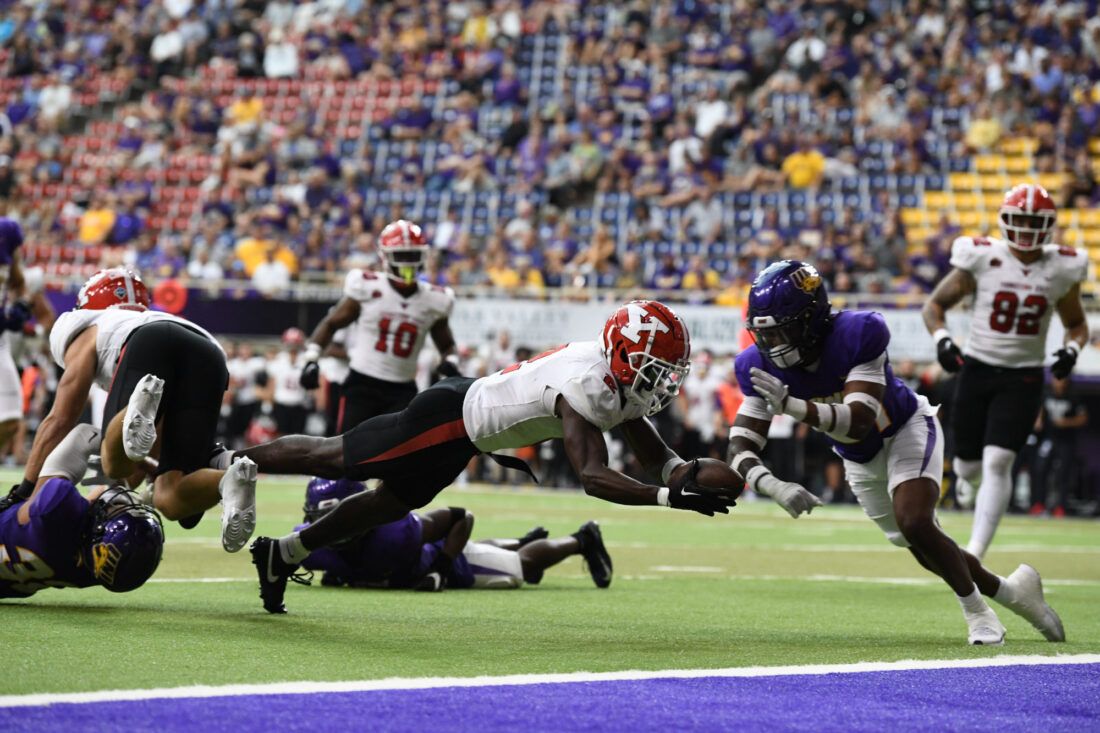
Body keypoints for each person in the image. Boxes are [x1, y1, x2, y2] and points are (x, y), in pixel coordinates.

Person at [233, 299, 739, 613]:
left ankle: (283, 554)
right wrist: (670, 497)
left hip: (466, 432)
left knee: (386, 506)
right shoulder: (590, 380)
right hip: (452, 416)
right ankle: (225, 461)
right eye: (655, 368)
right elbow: (592, 475)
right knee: (335, 457)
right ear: (625, 356)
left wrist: (684, 474)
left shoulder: (615, 378)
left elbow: (657, 458)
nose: (663, 381)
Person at [726, 260, 1064, 645]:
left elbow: (858, 420)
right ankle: (1014, 593)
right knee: (921, 545)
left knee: (915, 521)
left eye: (782, 330)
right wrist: (771, 485)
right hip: (858, 458)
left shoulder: (857, 333)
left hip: (904, 428)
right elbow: (740, 444)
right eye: (765, 335)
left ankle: (979, 614)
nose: (773, 345)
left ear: (811, 318)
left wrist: (793, 406)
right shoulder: (754, 364)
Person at [1, 268, 258, 553]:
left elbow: (61, 417)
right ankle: (229, 480)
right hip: (210, 352)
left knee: (113, 462)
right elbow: (147, 453)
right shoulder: (156, 316)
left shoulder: (89, 322)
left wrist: (24, 490)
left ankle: (137, 405)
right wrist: (120, 490)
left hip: (148, 344)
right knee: (170, 498)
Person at [922, 183, 1089, 559]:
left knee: (1000, 460)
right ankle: (966, 482)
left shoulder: (1063, 267)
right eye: (1020, 220)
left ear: (1048, 225)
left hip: (1024, 375)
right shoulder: (981, 257)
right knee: (966, 465)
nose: (1027, 229)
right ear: (1005, 221)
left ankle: (975, 552)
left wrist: (1071, 349)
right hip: (978, 368)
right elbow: (934, 306)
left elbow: (1078, 325)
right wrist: (944, 340)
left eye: (1035, 222)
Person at [294, 478, 613, 592]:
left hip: (441, 559)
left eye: (337, 518)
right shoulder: (310, 544)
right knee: (480, 550)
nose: (331, 527)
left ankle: (581, 539)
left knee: (518, 568)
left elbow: (462, 517)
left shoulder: (397, 534)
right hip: (411, 560)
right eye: (323, 521)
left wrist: (441, 569)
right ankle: (523, 539)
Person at [297, 220, 459, 433]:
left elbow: (447, 345)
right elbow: (331, 323)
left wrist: (450, 362)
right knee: (346, 454)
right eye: (401, 256)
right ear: (385, 256)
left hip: (402, 389)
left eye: (412, 255)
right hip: (362, 385)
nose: (407, 263)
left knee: (397, 458)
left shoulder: (435, 299)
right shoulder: (368, 286)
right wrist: (311, 359)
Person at [0, 423, 163, 599]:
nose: (116, 503)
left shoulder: (53, 510)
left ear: (98, 533)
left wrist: (140, 459)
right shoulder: (93, 572)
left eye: (116, 508)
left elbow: (84, 436)